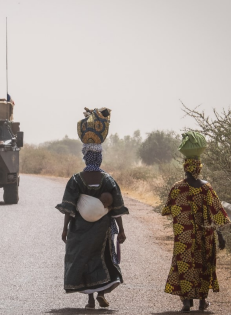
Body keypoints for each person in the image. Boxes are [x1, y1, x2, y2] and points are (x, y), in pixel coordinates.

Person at [56, 109, 129, 310]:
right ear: (100, 158)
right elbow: (116, 208)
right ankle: (101, 294)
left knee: (83, 258)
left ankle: (89, 300)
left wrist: (64, 229)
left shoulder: (76, 180)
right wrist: (121, 230)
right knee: (102, 258)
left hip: (79, 228)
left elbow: (69, 208)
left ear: (85, 157)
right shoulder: (108, 180)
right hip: (102, 229)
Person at [162, 153, 231, 312]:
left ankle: (186, 302)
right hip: (204, 235)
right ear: (199, 169)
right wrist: (220, 235)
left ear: (185, 168)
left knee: (184, 265)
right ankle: (202, 301)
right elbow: (217, 212)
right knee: (203, 265)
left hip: (183, 237)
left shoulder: (177, 187)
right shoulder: (207, 188)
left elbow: (167, 209)